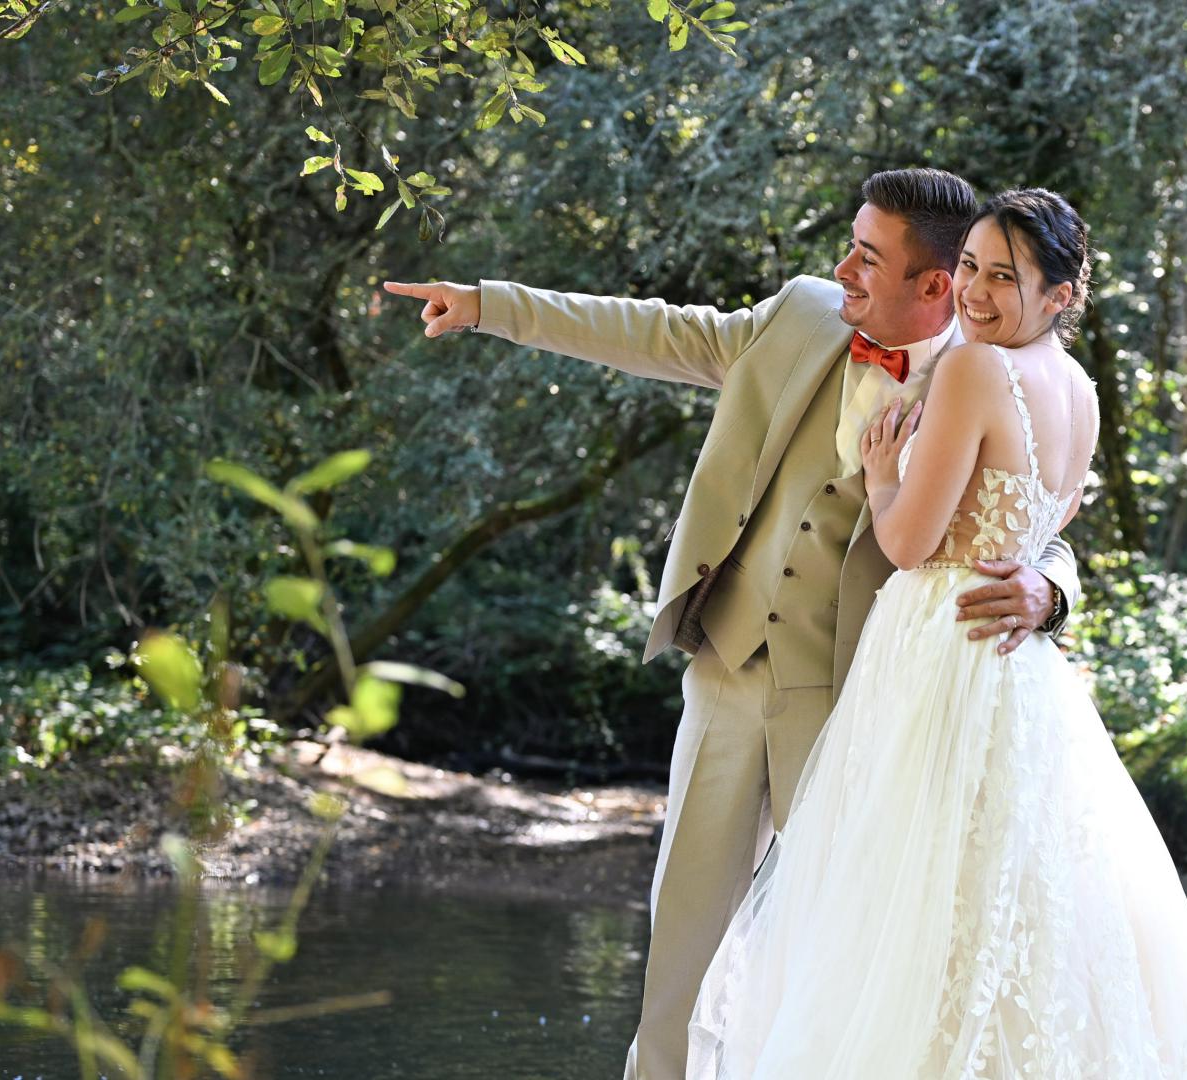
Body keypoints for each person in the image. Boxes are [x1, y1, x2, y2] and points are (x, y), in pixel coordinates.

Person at [379, 168, 1083, 1079]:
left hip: (855, 706)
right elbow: (655, 331)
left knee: (833, 963)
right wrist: (490, 305)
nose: (843, 269)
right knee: (682, 951)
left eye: (868, 258)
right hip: (727, 670)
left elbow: (1036, 521)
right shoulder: (800, 316)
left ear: (934, 285)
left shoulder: (987, 373)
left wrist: (1051, 593)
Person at [685, 189, 1187, 1078]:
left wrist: (881, 477)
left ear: (1061, 294)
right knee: (1000, 897)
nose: (976, 295)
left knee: (903, 896)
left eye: (1004, 278)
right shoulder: (1084, 394)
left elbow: (910, 543)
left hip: (939, 646)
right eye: (973, 269)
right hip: (1019, 672)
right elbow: (1047, 524)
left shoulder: (975, 371)